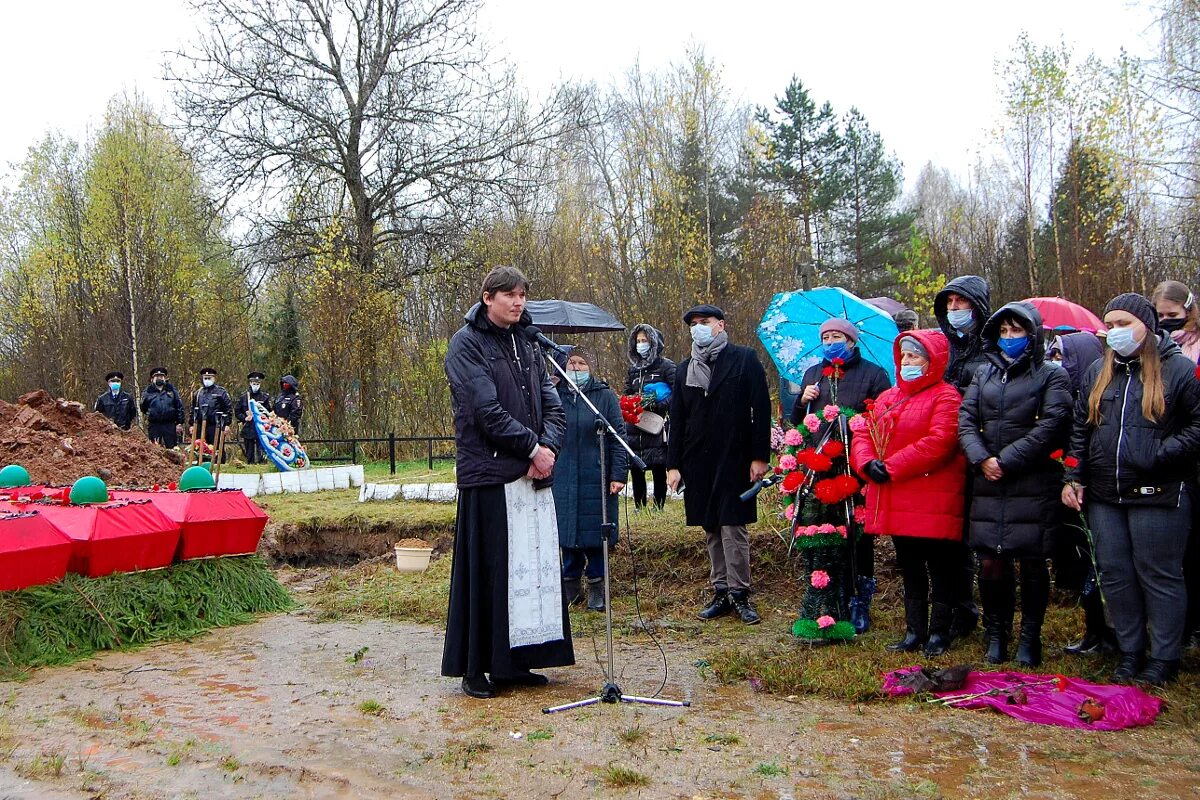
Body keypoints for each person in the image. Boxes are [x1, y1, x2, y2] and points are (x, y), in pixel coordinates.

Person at [441, 265, 571, 700]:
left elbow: (554, 404)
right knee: (490, 574)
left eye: (522, 295)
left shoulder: (529, 342)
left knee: (530, 574)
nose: (518, 303)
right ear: (487, 297)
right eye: (509, 295)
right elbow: (485, 410)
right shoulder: (466, 345)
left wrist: (546, 449)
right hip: (490, 474)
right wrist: (533, 450)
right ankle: (476, 667)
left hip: (532, 475)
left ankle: (516, 662)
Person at [1062, 293, 1200, 687]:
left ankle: (1163, 657)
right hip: (1106, 493)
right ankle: (1130, 651)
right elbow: (1079, 429)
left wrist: (1160, 453)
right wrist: (1072, 476)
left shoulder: (1178, 371)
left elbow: (1196, 426)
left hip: (1159, 491)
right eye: (1111, 325)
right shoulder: (1097, 371)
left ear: (1148, 326)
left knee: (1158, 574)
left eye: (1125, 324)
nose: (1115, 332)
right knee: (1115, 574)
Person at [958, 303, 1073, 667]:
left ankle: (1030, 637)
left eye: (1016, 332)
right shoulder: (984, 374)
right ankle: (997, 634)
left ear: (1033, 334)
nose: (1009, 338)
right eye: (1003, 332)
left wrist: (1006, 460)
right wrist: (982, 459)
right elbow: (966, 419)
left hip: (1031, 480)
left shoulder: (1051, 375)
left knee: (1032, 563)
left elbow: (1052, 424)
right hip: (989, 481)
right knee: (991, 563)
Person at [850, 330, 966, 656]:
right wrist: (866, 463)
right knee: (910, 565)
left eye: (915, 356)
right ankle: (914, 630)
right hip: (898, 496)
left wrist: (891, 466)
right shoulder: (889, 397)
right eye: (904, 356)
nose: (907, 362)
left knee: (941, 567)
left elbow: (940, 442)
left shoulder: (946, 396)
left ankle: (940, 632)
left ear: (932, 361)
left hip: (933, 495)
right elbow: (864, 432)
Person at [666, 304, 771, 625]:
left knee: (732, 525)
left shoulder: (744, 359)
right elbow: (678, 419)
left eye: (704, 322)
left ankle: (740, 592)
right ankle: (721, 589)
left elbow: (761, 409)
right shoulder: (685, 369)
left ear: (720, 325)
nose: (698, 327)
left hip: (735, 456)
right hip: (698, 460)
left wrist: (759, 456)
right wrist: (673, 465)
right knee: (711, 525)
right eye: (693, 323)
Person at [788, 317, 892, 633]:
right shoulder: (813, 374)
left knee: (858, 534)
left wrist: (853, 423)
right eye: (826, 336)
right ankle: (826, 598)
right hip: (818, 469)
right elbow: (796, 422)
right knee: (823, 529)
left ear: (851, 341)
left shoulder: (873, 374)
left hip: (854, 466)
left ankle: (859, 599)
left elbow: (883, 418)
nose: (831, 341)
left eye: (837, 336)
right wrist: (801, 400)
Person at [1046, 332, 1115, 656]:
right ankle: (1093, 631)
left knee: (1101, 566)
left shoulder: (1101, 397)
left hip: (1100, 491)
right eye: (1053, 355)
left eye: (1062, 356)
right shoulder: (1056, 396)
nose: (1056, 363)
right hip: (1068, 492)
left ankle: (1111, 634)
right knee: (1082, 564)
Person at [934, 274, 993, 641]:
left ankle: (990, 617)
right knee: (950, 537)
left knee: (981, 539)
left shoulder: (992, 347)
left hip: (980, 451)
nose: (955, 310)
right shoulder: (944, 348)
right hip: (944, 453)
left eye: (962, 303)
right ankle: (958, 607)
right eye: (949, 304)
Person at [552, 347, 628, 612]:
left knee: (596, 532)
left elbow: (618, 438)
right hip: (561, 476)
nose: (577, 367)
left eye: (582, 363)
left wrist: (618, 474)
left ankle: (597, 585)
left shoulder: (603, 396)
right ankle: (570, 584)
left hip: (597, 475)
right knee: (566, 531)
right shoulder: (553, 395)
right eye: (571, 362)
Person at [1151, 279, 1200, 648]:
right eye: (1161, 316)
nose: (1167, 322)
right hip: (1167, 455)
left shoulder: (1194, 350)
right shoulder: (1155, 351)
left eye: (1174, 316)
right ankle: (1178, 630)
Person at [623, 324, 676, 511]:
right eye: (638, 341)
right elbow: (627, 391)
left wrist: (657, 404)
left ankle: (659, 504)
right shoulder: (633, 370)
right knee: (636, 467)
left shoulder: (666, 367)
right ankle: (639, 504)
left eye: (644, 341)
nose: (640, 344)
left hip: (656, 424)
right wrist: (630, 404)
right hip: (635, 424)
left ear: (654, 343)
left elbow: (677, 394)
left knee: (658, 465)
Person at [140, 367, 184, 447]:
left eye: (161, 376)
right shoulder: (147, 392)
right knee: (154, 449)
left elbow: (179, 406)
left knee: (171, 449)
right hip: (154, 426)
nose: (159, 378)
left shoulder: (172, 390)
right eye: (157, 377)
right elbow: (143, 408)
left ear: (165, 378)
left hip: (169, 425)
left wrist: (179, 423)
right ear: (152, 379)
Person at [189, 367, 233, 446]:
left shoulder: (221, 392)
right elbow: (193, 410)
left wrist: (227, 424)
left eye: (209, 378)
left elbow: (228, 409)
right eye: (205, 378)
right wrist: (192, 424)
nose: (207, 380)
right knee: (201, 450)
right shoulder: (198, 393)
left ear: (214, 378)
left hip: (216, 426)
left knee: (217, 450)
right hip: (201, 426)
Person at [235, 371, 272, 464]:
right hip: (248, 427)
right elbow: (237, 412)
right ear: (250, 383)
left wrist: (264, 417)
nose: (255, 385)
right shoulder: (244, 397)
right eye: (254, 383)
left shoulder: (265, 397)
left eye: (257, 383)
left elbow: (269, 412)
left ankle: (262, 464)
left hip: (261, 428)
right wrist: (244, 418)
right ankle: (250, 464)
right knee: (249, 452)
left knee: (262, 450)